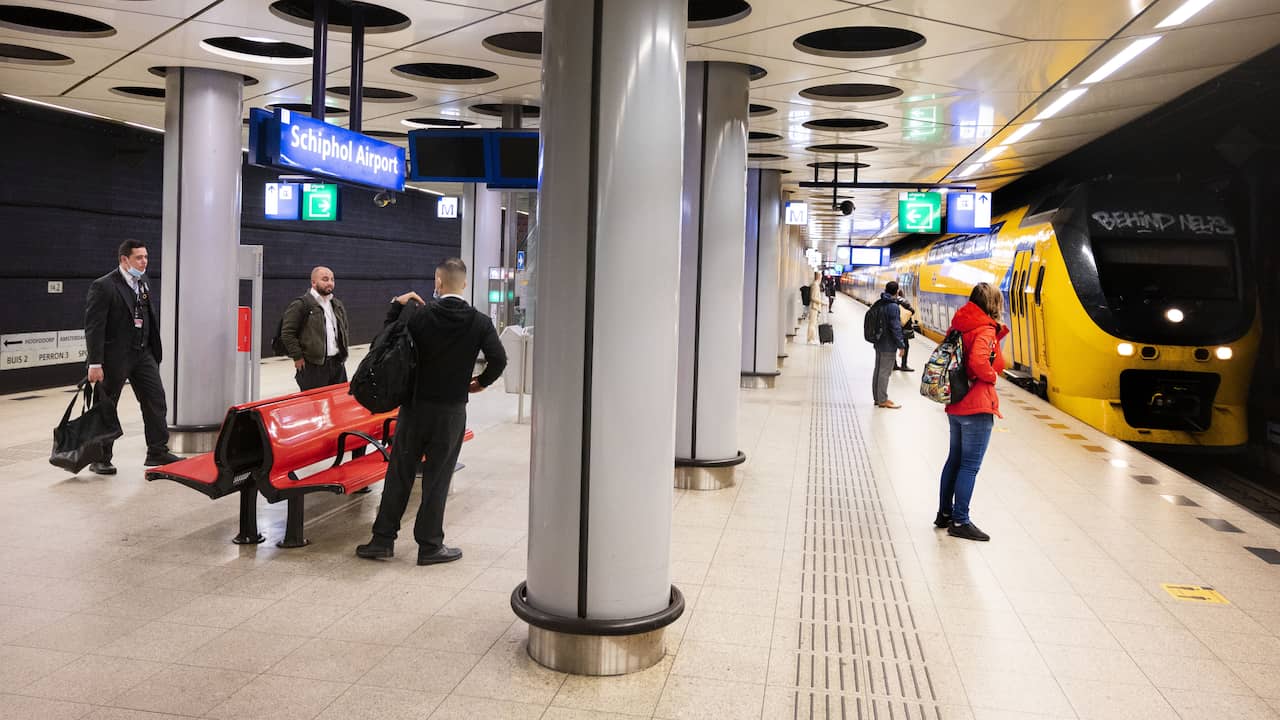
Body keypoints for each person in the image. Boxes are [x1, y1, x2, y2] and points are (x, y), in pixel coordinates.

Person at [357, 257, 507, 565]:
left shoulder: (420, 316)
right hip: (451, 411)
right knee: (437, 478)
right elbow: (499, 359)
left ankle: (382, 540)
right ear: (463, 284)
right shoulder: (479, 321)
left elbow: (384, 342)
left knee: (399, 474)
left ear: (437, 282)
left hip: (414, 408)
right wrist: (480, 382)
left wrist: (397, 306)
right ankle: (430, 546)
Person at [83, 239, 180, 473]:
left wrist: (153, 351)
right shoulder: (104, 285)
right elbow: (94, 327)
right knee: (107, 406)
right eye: (139, 257)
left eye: (146, 257)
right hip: (114, 357)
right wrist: (95, 363)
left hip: (143, 353)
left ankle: (157, 451)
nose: (144, 261)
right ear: (124, 260)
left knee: (155, 399)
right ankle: (100, 458)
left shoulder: (143, 282)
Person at [936, 282, 1009, 542]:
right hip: (976, 405)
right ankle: (960, 520)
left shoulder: (959, 325)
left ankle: (944, 514)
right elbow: (979, 362)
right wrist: (991, 376)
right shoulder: (985, 329)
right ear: (993, 304)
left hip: (956, 403)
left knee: (954, 460)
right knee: (969, 465)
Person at [279, 266, 349, 391]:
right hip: (313, 366)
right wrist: (297, 356)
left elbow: (344, 329)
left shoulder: (336, 304)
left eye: (332, 279)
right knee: (314, 406)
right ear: (313, 282)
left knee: (337, 404)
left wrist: (343, 354)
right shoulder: (302, 304)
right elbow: (287, 333)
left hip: (337, 364)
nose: (330, 283)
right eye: (325, 279)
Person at [872, 281, 906, 408]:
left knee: (878, 370)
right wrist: (901, 345)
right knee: (885, 372)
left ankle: (877, 398)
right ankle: (882, 400)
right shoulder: (893, 306)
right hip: (888, 344)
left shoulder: (880, 302)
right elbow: (896, 328)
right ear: (897, 291)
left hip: (879, 342)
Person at [894, 289, 916, 373]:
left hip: (894, 327)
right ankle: (904, 365)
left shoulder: (891, 301)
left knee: (894, 346)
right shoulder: (903, 301)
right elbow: (912, 311)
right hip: (904, 328)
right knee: (905, 346)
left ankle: (894, 365)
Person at [805, 272, 823, 343]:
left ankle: (811, 338)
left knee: (813, 323)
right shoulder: (815, 285)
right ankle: (810, 339)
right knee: (812, 324)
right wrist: (822, 302)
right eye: (821, 277)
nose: (821, 278)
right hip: (814, 307)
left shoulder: (815, 285)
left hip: (814, 307)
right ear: (818, 277)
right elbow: (813, 297)